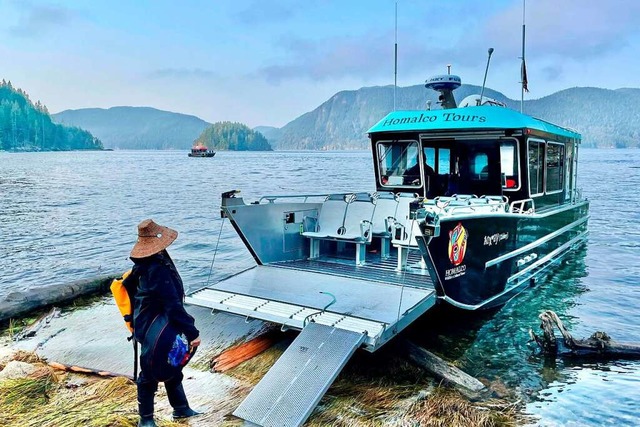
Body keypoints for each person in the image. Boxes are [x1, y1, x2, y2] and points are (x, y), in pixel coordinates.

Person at [129, 219, 202, 427]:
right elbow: (172, 306)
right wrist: (192, 332)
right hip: (153, 326)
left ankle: (180, 408)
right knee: (149, 372)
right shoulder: (156, 268)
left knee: (173, 359)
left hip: (150, 322)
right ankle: (146, 420)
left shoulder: (149, 262)